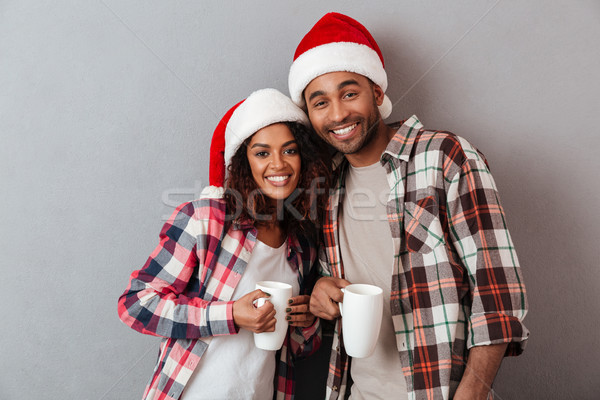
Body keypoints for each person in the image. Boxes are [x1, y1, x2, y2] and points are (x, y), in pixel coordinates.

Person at [287, 12, 529, 400]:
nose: (337, 114)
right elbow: (332, 282)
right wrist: (320, 289)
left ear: (377, 95)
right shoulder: (325, 186)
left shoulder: (446, 157)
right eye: (320, 103)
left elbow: (498, 290)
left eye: (349, 93)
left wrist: (473, 392)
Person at [117, 88, 331, 400]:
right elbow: (136, 305)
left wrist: (306, 322)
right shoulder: (206, 220)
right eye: (262, 153)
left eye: (289, 150)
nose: (278, 164)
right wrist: (230, 315)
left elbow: (298, 349)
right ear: (244, 162)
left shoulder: (302, 244)